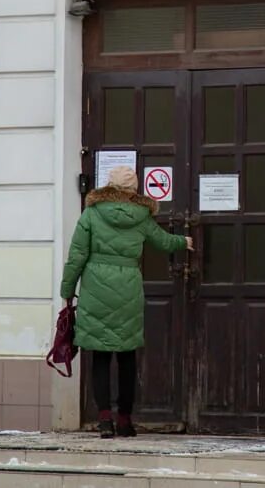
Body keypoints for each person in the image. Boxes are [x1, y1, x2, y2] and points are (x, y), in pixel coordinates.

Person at [60, 164, 192, 438]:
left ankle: (104, 420)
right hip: (128, 289)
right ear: (133, 189)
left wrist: (67, 291)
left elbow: (76, 257)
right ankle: (124, 421)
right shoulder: (142, 216)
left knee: (100, 355)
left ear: (108, 185)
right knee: (127, 356)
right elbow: (163, 241)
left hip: (96, 289)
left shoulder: (92, 214)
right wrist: (184, 241)